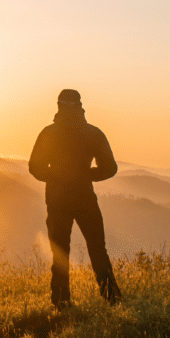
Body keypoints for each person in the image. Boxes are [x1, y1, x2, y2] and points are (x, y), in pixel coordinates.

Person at [29, 89, 122, 310]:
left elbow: (35, 167)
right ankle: (112, 298)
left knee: (60, 251)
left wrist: (57, 176)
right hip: (85, 198)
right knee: (98, 249)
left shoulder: (49, 133)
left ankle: (61, 302)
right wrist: (86, 175)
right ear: (80, 106)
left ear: (58, 106)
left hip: (57, 199)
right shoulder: (93, 133)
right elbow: (110, 168)